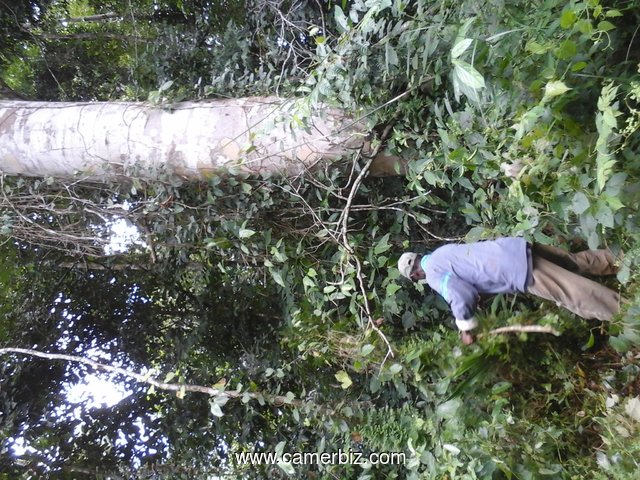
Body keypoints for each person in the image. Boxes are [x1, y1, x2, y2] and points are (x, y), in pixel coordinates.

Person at [397, 237, 623, 345]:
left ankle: (626, 314)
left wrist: (466, 327)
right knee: (572, 263)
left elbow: (460, 295)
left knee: (576, 295)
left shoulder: (434, 274)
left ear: (415, 276)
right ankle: (623, 260)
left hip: (516, 270)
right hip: (516, 248)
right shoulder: (441, 253)